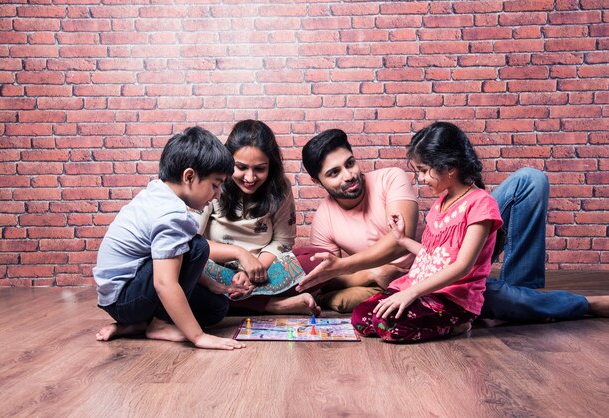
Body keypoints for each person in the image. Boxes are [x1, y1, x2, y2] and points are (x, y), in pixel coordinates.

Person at [298, 126, 609, 322]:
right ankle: (525, 306)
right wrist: (373, 275)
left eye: (349, 163)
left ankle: (530, 294)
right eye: (334, 172)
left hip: (451, 256)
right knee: (492, 297)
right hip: (429, 271)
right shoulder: (324, 218)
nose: (349, 175)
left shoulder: (391, 178)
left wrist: (346, 266)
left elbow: (398, 242)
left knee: (531, 181)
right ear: (318, 181)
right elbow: (332, 281)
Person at [93, 126, 246, 350]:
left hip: (127, 295)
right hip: (125, 299)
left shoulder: (157, 192)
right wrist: (198, 337)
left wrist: (211, 284)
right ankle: (159, 325)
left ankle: (137, 325)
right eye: (215, 184)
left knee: (216, 307)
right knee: (198, 246)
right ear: (189, 176)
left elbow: (173, 259)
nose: (218, 193)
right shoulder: (171, 215)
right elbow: (164, 282)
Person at [351, 121, 503, 342]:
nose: (420, 179)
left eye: (423, 171)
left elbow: (462, 266)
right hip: (423, 289)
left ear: (450, 168)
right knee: (361, 317)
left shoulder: (481, 204)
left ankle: (459, 324)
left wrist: (411, 293)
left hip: (452, 299)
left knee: (389, 325)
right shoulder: (440, 203)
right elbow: (433, 256)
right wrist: (402, 239)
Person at [193, 120, 321, 315]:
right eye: (241, 167)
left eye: (260, 169)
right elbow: (192, 241)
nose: (250, 178)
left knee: (318, 259)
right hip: (217, 268)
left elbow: (282, 241)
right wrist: (239, 254)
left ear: (271, 166)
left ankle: (243, 303)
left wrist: (253, 271)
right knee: (188, 269)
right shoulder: (213, 181)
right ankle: (275, 305)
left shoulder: (280, 187)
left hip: (264, 270)